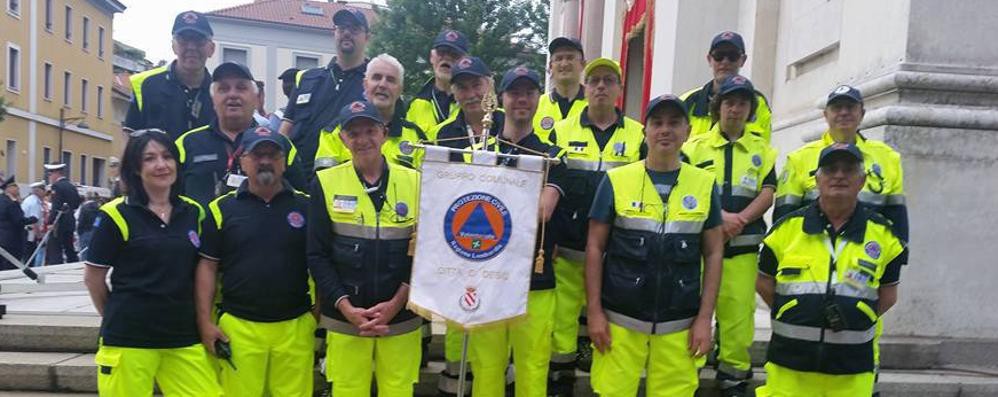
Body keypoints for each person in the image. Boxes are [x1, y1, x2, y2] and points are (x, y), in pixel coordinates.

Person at [585, 94, 724, 396]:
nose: (665, 130)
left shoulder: (704, 184)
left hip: (680, 323)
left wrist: (704, 319)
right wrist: (594, 312)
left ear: (687, 131)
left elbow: (714, 253)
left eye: (674, 123)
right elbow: (595, 247)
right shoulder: (615, 180)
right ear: (644, 131)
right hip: (620, 320)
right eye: (657, 122)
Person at [755, 143, 907, 397]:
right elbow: (763, 283)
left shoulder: (884, 237)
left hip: (851, 367)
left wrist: (856, 316)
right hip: (790, 363)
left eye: (848, 169)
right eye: (830, 169)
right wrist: (792, 310)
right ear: (817, 179)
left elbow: (888, 296)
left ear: (862, 181)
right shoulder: (785, 230)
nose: (839, 175)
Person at [82, 129, 221, 396]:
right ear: (135, 168)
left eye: (167, 157)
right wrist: (118, 316)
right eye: (150, 158)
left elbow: (204, 269)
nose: (161, 165)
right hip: (129, 339)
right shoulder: (114, 215)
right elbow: (94, 279)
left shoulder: (194, 212)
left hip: (182, 336)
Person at [461, 66, 566, 397]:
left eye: (529, 92)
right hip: (487, 278)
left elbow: (542, 210)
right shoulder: (480, 152)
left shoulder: (554, 155)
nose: (522, 99)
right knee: (486, 370)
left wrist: (492, 201)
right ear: (501, 99)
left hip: (535, 282)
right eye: (514, 92)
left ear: (538, 99)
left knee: (532, 369)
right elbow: (463, 209)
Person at [307, 100, 422, 396]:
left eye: (369, 130)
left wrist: (396, 304)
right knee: (347, 390)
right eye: (353, 133)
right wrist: (346, 308)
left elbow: (424, 251)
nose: (362, 140)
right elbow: (317, 254)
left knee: (398, 390)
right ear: (343, 139)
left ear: (383, 133)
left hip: (401, 315)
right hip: (346, 318)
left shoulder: (416, 181)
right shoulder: (325, 181)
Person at [546, 57, 646, 393]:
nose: (601, 86)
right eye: (595, 81)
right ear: (585, 88)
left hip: (616, 248)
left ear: (619, 88)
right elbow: (548, 185)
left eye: (608, 80)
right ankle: (560, 373)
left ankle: (597, 364)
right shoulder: (560, 132)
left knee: (604, 308)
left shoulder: (638, 135)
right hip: (568, 244)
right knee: (562, 316)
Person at [195, 127, 316, 396]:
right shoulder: (221, 208)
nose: (265, 160)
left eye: (272, 154)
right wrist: (205, 322)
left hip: (295, 326)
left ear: (284, 162)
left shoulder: (307, 206)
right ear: (243, 161)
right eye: (257, 154)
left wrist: (316, 314)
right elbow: (207, 267)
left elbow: (321, 262)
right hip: (239, 327)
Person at [682, 75, 777, 396]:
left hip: (743, 249)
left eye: (742, 103)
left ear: (750, 109)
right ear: (717, 107)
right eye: (729, 102)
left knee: (738, 316)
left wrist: (739, 220)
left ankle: (733, 378)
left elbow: (768, 189)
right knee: (694, 311)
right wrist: (719, 217)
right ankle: (688, 377)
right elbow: (687, 186)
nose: (735, 109)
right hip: (700, 250)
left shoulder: (762, 150)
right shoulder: (694, 147)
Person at [774, 85, 908, 243]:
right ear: (825, 115)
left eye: (850, 107)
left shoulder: (888, 158)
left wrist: (899, 255)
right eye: (837, 108)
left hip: (868, 255)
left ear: (862, 114)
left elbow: (897, 217)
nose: (844, 112)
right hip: (811, 253)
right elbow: (783, 219)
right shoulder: (799, 159)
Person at [176, 62, 306, 207]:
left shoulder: (280, 144)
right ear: (213, 99)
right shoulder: (186, 144)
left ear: (256, 98)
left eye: (241, 88)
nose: (232, 94)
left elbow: (301, 201)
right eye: (223, 88)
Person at [280, 9, 371, 174]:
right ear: (334, 33)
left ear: (367, 37)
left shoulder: (375, 83)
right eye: (342, 28)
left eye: (354, 29)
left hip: (348, 181)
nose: (347, 33)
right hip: (299, 180)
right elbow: (285, 131)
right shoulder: (307, 78)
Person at [315, 54, 428, 171]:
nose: (383, 85)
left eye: (390, 80)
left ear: (400, 89)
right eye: (377, 77)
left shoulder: (415, 137)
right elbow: (323, 184)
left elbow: (428, 184)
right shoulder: (336, 131)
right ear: (365, 84)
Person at [124, 11, 216, 139]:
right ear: (173, 46)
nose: (191, 47)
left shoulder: (220, 93)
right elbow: (129, 139)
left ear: (211, 49)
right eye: (184, 40)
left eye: (199, 40)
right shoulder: (147, 85)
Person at [680, 31, 772, 142]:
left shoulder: (757, 102)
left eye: (732, 56)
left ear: (743, 60)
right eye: (719, 55)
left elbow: (763, 149)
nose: (725, 61)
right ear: (709, 59)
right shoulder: (687, 102)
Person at [430, 56, 505, 151]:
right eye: (462, 88)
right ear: (454, 92)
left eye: (476, 85)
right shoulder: (440, 134)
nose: (471, 95)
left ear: (490, 85)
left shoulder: (512, 123)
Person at [407, 29, 469, 133]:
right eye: (442, 52)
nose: (447, 58)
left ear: (465, 61)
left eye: (454, 54)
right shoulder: (415, 105)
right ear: (432, 57)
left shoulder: (474, 103)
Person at [534, 37, 587, 143]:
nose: (564, 64)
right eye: (558, 58)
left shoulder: (595, 106)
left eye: (570, 58)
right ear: (550, 66)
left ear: (583, 64)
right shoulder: (536, 105)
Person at [44, 163, 81, 265]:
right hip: (69, 221)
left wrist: (50, 222)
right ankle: (74, 266)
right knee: (69, 247)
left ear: (56, 173)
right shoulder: (71, 186)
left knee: (54, 247)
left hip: (59, 221)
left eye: (50, 173)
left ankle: (55, 268)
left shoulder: (57, 186)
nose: (49, 176)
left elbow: (56, 206)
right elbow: (77, 203)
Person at [0, 176, 37, 270]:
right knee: (11, 266)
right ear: (9, 188)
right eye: (15, 186)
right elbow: (19, 220)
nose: (18, 189)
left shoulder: (2, 200)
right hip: (11, 240)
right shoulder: (11, 203)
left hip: (2, 239)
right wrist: (33, 219)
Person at [20, 181, 46, 265]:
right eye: (43, 190)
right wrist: (39, 237)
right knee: (30, 259)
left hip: (25, 233)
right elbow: (34, 222)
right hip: (30, 235)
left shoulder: (29, 200)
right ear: (38, 191)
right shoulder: (35, 203)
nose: (45, 192)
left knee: (26, 258)